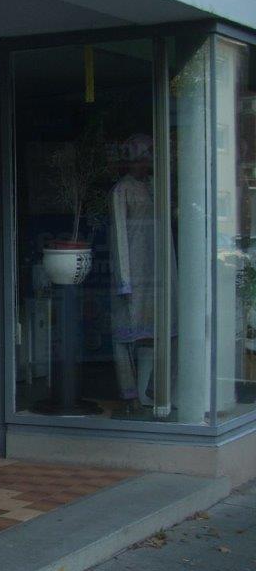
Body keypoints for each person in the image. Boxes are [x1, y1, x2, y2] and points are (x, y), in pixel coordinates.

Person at [110, 134, 159, 414]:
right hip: (132, 275)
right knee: (125, 335)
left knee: (164, 332)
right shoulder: (122, 191)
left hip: (157, 273)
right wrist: (124, 279)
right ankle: (130, 396)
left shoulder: (154, 187)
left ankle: (154, 389)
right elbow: (118, 235)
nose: (149, 161)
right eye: (146, 155)